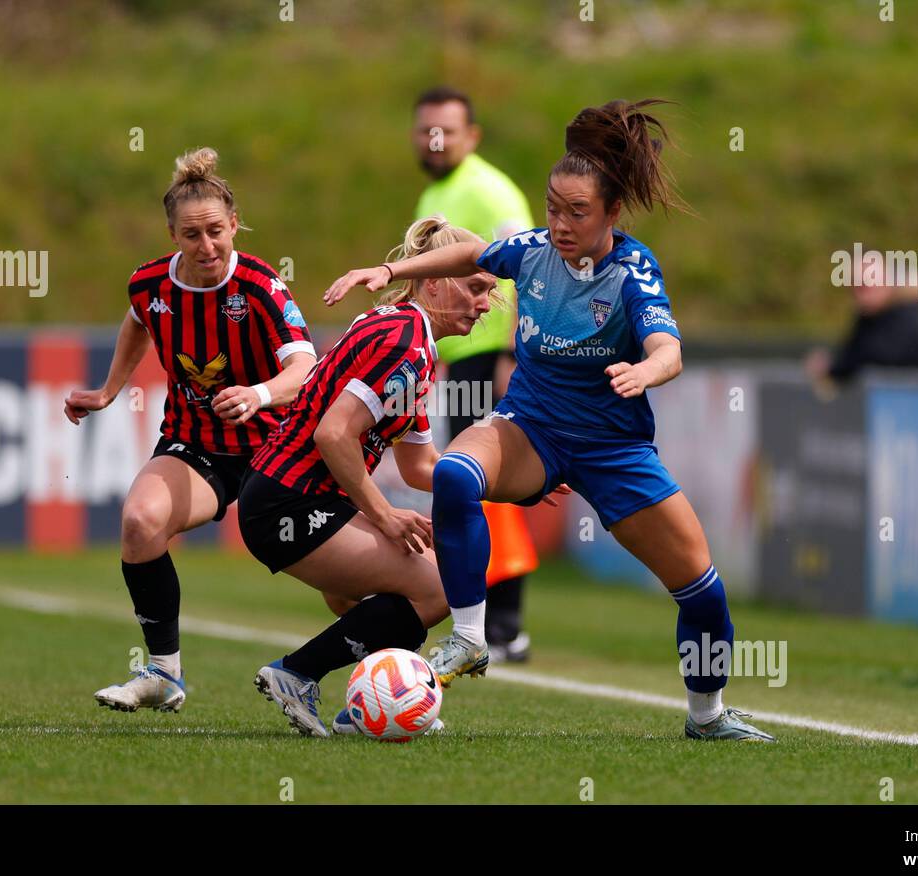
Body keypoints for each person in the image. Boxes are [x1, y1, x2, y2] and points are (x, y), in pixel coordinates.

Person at [325, 100, 776, 741]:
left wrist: (645, 373)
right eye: (552, 208)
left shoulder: (632, 270)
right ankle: (472, 637)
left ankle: (708, 715)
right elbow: (472, 253)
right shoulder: (532, 252)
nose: (560, 225)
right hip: (529, 427)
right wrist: (391, 270)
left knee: (700, 587)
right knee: (455, 475)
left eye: (577, 212)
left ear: (612, 213)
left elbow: (668, 348)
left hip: (612, 446)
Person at [64, 147, 316, 713]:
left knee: (342, 587)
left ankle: (393, 680)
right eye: (190, 235)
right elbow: (138, 323)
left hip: (276, 452)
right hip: (196, 444)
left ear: (234, 225)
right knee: (140, 520)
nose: (206, 247)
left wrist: (256, 395)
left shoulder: (260, 286)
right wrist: (107, 391)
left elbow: (305, 367)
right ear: (172, 235)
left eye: (215, 232)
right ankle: (163, 674)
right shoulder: (149, 283)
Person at [239, 216, 497, 737]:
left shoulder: (410, 338)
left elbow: (420, 465)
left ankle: (375, 709)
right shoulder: (404, 341)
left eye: (489, 292)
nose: (486, 304)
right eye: (475, 288)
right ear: (433, 280)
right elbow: (333, 435)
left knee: (387, 601)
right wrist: (384, 515)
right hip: (288, 502)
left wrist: (512, 481)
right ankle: (297, 674)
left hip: (300, 498)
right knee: (438, 587)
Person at [411, 86, 538, 663]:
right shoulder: (434, 194)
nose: (434, 141)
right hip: (457, 356)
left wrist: (515, 352)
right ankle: (482, 621)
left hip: (490, 357)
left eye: (446, 131)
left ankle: (504, 625)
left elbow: (530, 271)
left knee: (485, 481)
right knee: (467, 482)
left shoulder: (490, 191)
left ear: (473, 136)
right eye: (426, 131)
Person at [805, 282, 918, 390]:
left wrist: (830, 369)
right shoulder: (867, 320)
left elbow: (875, 354)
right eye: (857, 285)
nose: (861, 292)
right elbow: (850, 357)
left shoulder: (906, 316)